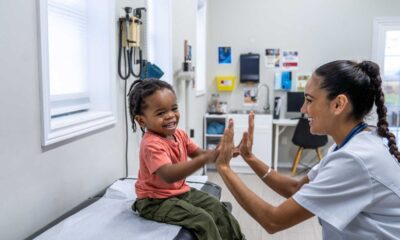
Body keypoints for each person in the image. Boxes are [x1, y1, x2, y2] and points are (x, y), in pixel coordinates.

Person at [216, 60, 400, 239]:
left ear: (338, 104)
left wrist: (224, 168)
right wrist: (249, 157)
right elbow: (296, 188)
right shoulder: (353, 143)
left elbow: (273, 220)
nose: (303, 109)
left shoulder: (354, 159)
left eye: (309, 100)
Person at [127, 78, 245, 240]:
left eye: (173, 108)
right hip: (154, 202)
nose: (170, 116)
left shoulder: (179, 135)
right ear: (142, 120)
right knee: (203, 220)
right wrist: (203, 159)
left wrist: (226, 152)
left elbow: (198, 153)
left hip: (178, 193)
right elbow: (168, 175)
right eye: (161, 113)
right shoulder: (150, 144)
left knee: (218, 208)